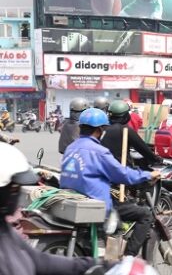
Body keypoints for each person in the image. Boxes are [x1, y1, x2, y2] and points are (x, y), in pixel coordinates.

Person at [60, 108, 161, 256]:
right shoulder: (99, 151)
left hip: (73, 200)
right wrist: (147, 175)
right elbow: (122, 174)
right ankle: (128, 258)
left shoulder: (71, 148)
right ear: (100, 129)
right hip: (97, 204)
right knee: (145, 214)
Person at [0, 142, 98, 275]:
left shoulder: (5, 230)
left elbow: (39, 260)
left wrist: (93, 265)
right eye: (14, 188)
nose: (17, 193)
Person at [101, 100, 160, 166]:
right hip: (121, 169)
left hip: (104, 167)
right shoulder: (125, 129)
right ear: (125, 115)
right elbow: (142, 148)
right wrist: (157, 159)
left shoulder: (103, 129)